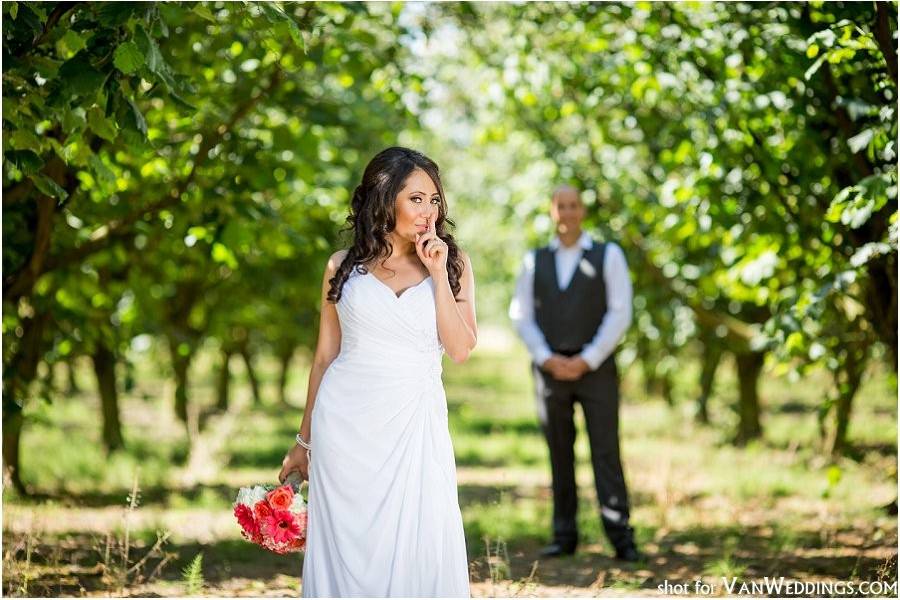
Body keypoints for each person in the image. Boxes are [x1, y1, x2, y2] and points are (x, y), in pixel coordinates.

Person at [278, 147, 477, 597]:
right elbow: (325, 357)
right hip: (344, 428)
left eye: (435, 200)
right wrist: (303, 441)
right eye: (416, 199)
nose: (429, 212)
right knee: (346, 552)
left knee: (418, 542)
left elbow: (461, 349)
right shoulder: (341, 266)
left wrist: (437, 270)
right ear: (384, 199)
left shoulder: (455, 265)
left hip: (414, 426)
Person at [509, 185, 641, 562]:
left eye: (573, 206)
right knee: (559, 452)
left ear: (582, 211)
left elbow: (620, 312)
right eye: (560, 206)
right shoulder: (534, 261)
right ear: (552, 211)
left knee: (606, 450)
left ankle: (621, 537)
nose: (567, 213)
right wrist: (545, 357)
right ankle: (564, 535)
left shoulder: (608, 255)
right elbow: (520, 314)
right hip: (549, 370)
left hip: (595, 369)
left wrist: (589, 358)